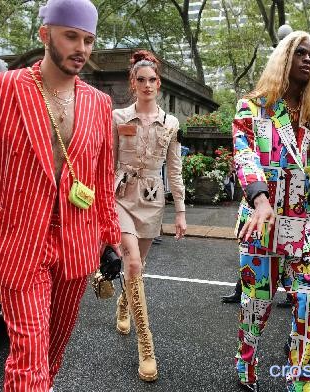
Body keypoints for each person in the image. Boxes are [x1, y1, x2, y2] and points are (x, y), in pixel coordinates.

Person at [0, 0, 121, 390]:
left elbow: (102, 179)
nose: (81, 49)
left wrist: (110, 238)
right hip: (20, 240)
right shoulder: (1, 88)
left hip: (76, 242)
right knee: (28, 358)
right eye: (71, 36)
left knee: (52, 353)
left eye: (88, 40)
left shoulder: (99, 104)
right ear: (45, 34)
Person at [231, 31, 310, 392]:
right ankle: (247, 360)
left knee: (309, 301)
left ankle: (300, 379)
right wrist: (260, 200)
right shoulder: (251, 108)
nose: (307, 59)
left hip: (304, 226)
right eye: (300, 52)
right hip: (261, 225)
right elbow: (244, 158)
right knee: (256, 305)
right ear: (283, 57)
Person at [112, 50, 187, 382]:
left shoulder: (171, 123)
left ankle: (124, 304)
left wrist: (181, 213)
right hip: (121, 197)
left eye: (152, 80)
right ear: (133, 83)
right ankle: (146, 347)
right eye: (140, 79)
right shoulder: (117, 118)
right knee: (132, 264)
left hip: (153, 199)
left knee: (138, 266)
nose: (146, 84)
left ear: (159, 84)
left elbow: (175, 171)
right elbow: (106, 163)